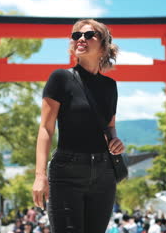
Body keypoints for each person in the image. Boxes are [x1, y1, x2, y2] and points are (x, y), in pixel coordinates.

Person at [32, 18, 124, 233]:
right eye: (76, 35)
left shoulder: (110, 86)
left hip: (104, 173)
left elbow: (110, 127)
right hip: (66, 173)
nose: (81, 39)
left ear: (104, 46)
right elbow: (46, 128)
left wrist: (116, 140)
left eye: (89, 35)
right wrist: (40, 176)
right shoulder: (60, 78)